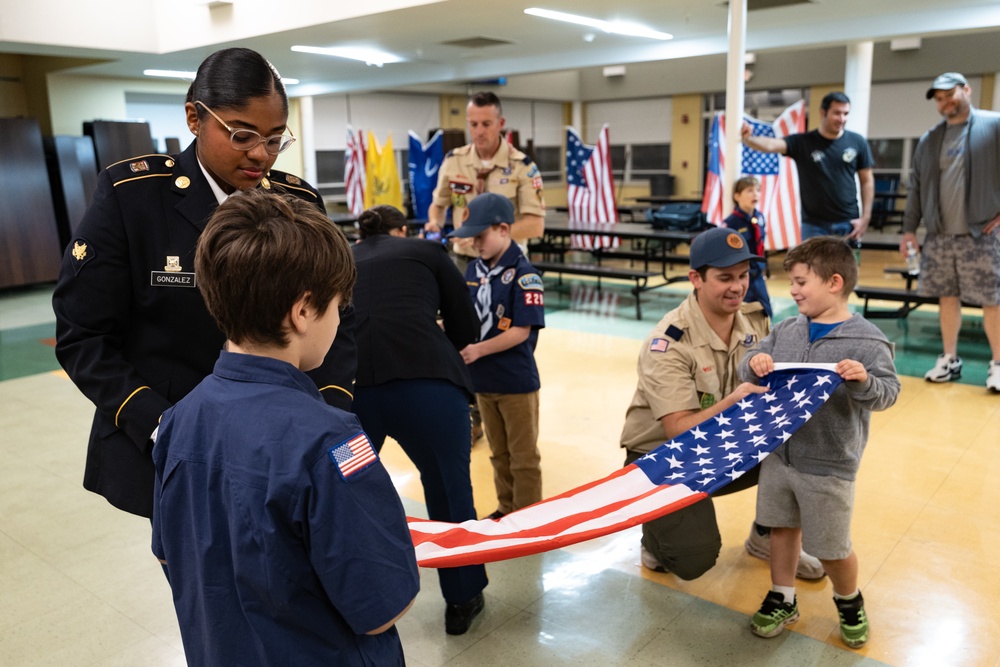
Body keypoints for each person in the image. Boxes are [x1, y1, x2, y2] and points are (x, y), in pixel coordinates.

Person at [52, 47, 356, 520]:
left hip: (284, 440)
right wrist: (161, 426)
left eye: (276, 139)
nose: (261, 155)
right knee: (202, 583)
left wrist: (329, 410)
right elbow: (83, 337)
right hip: (172, 442)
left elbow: (340, 318)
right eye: (242, 135)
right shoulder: (133, 199)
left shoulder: (297, 203)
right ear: (195, 117)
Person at [151, 190, 418, 665]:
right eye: (338, 306)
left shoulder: (177, 421)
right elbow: (381, 607)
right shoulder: (331, 440)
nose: (339, 320)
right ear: (303, 310)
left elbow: (171, 555)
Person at [619, 226, 824, 581]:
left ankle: (766, 533)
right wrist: (733, 401)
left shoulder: (756, 320)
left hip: (727, 442)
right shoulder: (668, 344)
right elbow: (677, 429)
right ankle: (654, 534)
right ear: (695, 278)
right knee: (691, 560)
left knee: (807, 453)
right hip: (663, 457)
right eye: (725, 277)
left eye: (744, 275)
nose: (738, 286)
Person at [739, 236, 900, 649]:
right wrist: (754, 363)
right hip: (780, 454)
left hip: (828, 465)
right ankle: (783, 596)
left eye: (799, 282)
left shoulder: (868, 341)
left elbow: (889, 392)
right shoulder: (788, 328)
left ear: (833, 282)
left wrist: (863, 380)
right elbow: (752, 363)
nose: (792, 291)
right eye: (791, 283)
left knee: (831, 547)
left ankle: (849, 600)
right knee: (780, 530)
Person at [350, 205, 488, 636]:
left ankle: (357, 601)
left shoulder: (341, 257)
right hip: (428, 384)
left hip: (356, 393)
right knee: (449, 488)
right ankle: (462, 599)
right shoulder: (426, 251)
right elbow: (465, 324)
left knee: (347, 493)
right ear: (403, 230)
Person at [900, 72, 1000, 392]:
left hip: (981, 234)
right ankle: (949, 359)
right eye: (938, 98)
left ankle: (998, 363)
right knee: (947, 297)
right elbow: (916, 187)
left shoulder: (994, 126)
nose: (944, 102)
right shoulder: (930, 139)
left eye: (949, 94)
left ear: (966, 90)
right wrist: (908, 230)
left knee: (992, 300)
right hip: (941, 236)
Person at [450, 193, 545, 519]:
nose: (475, 244)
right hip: (483, 379)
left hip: (515, 380)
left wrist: (477, 350)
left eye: (481, 236)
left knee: (523, 456)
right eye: (471, 238)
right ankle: (507, 508)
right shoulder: (475, 270)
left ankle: (529, 517)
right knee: (498, 453)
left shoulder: (525, 274)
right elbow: (467, 316)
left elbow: (521, 331)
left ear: (503, 229)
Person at [425, 91, 546, 259]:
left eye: (486, 124)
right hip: (465, 259)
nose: (479, 131)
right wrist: (434, 224)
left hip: (507, 260)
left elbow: (535, 225)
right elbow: (438, 205)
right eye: (473, 124)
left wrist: (485, 236)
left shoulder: (522, 167)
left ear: (500, 123)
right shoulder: (454, 161)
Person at [741, 92, 874, 241]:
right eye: (837, 113)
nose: (842, 119)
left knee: (845, 265)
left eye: (845, 113)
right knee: (810, 265)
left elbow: (867, 181)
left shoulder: (857, 142)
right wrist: (749, 139)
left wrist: (866, 217)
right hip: (813, 225)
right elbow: (772, 144)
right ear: (823, 112)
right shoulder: (803, 142)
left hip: (848, 222)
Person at [723, 176, 773, 318]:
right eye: (749, 191)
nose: (755, 194)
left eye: (758, 190)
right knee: (740, 312)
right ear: (737, 196)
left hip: (757, 274)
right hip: (742, 275)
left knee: (766, 310)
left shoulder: (760, 217)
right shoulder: (732, 223)